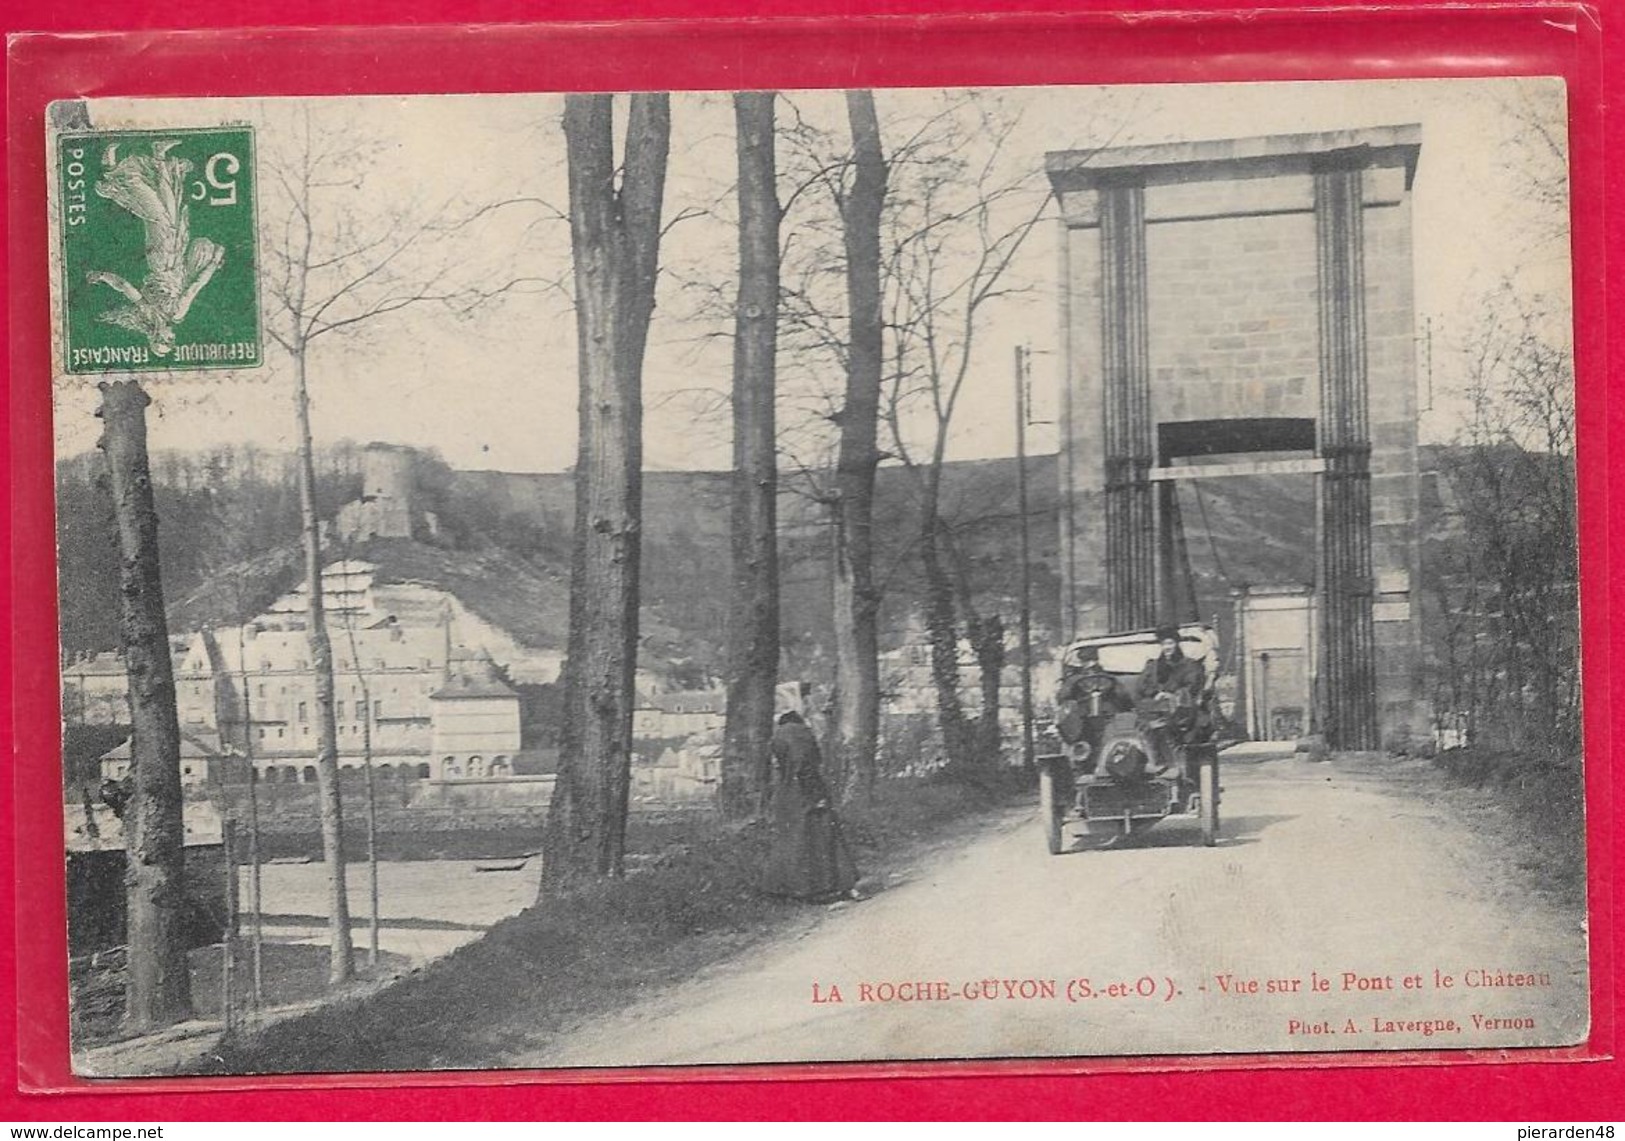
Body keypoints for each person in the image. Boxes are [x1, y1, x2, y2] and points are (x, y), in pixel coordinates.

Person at [760, 711, 860, 903]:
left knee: (791, 841)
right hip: (805, 792)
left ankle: (785, 890)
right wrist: (816, 796)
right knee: (823, 838)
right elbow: (805, 765)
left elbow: (779, 768)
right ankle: (834, 886)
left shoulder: (777, 735)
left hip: (786, 795)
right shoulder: (802, 734)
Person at [1135, 624, 1208, 773]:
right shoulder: (1152, 666)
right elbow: (1141, 687)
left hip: (1182, 713)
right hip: (1155, 711)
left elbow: (1192, 687)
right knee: (1142, 727)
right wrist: (1156, 693)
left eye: (1170, 643)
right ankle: (1152, 762)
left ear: (1177, 644)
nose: (1167, 647)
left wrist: (1172, 695)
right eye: (1164, 644)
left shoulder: (1189, 665)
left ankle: (1176, 765)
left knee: (1174, 730)